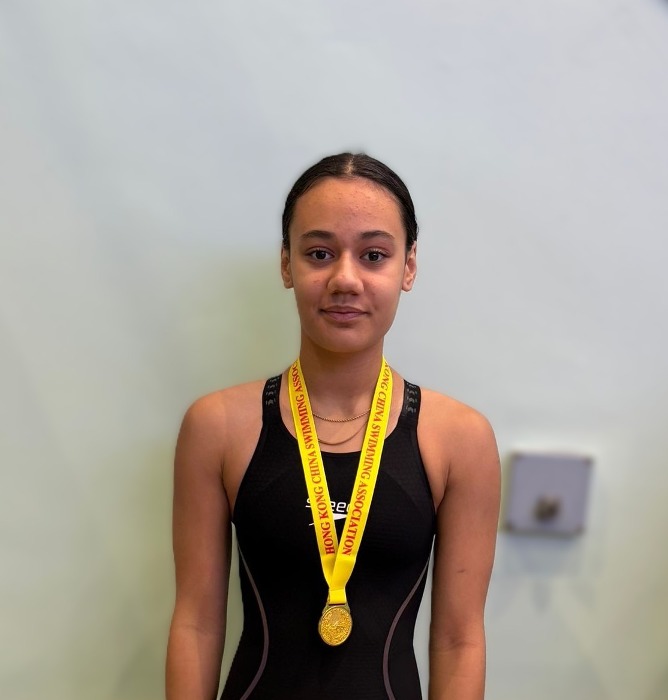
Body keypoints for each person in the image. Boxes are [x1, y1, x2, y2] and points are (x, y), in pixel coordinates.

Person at [165, 153, 501, 700]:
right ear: (286, 264)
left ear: (408, 267)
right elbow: (196, 624)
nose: (345, 279)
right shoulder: (218, 427)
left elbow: (459, 640)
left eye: (374, 255)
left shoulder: (459, 439)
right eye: (319, 253)